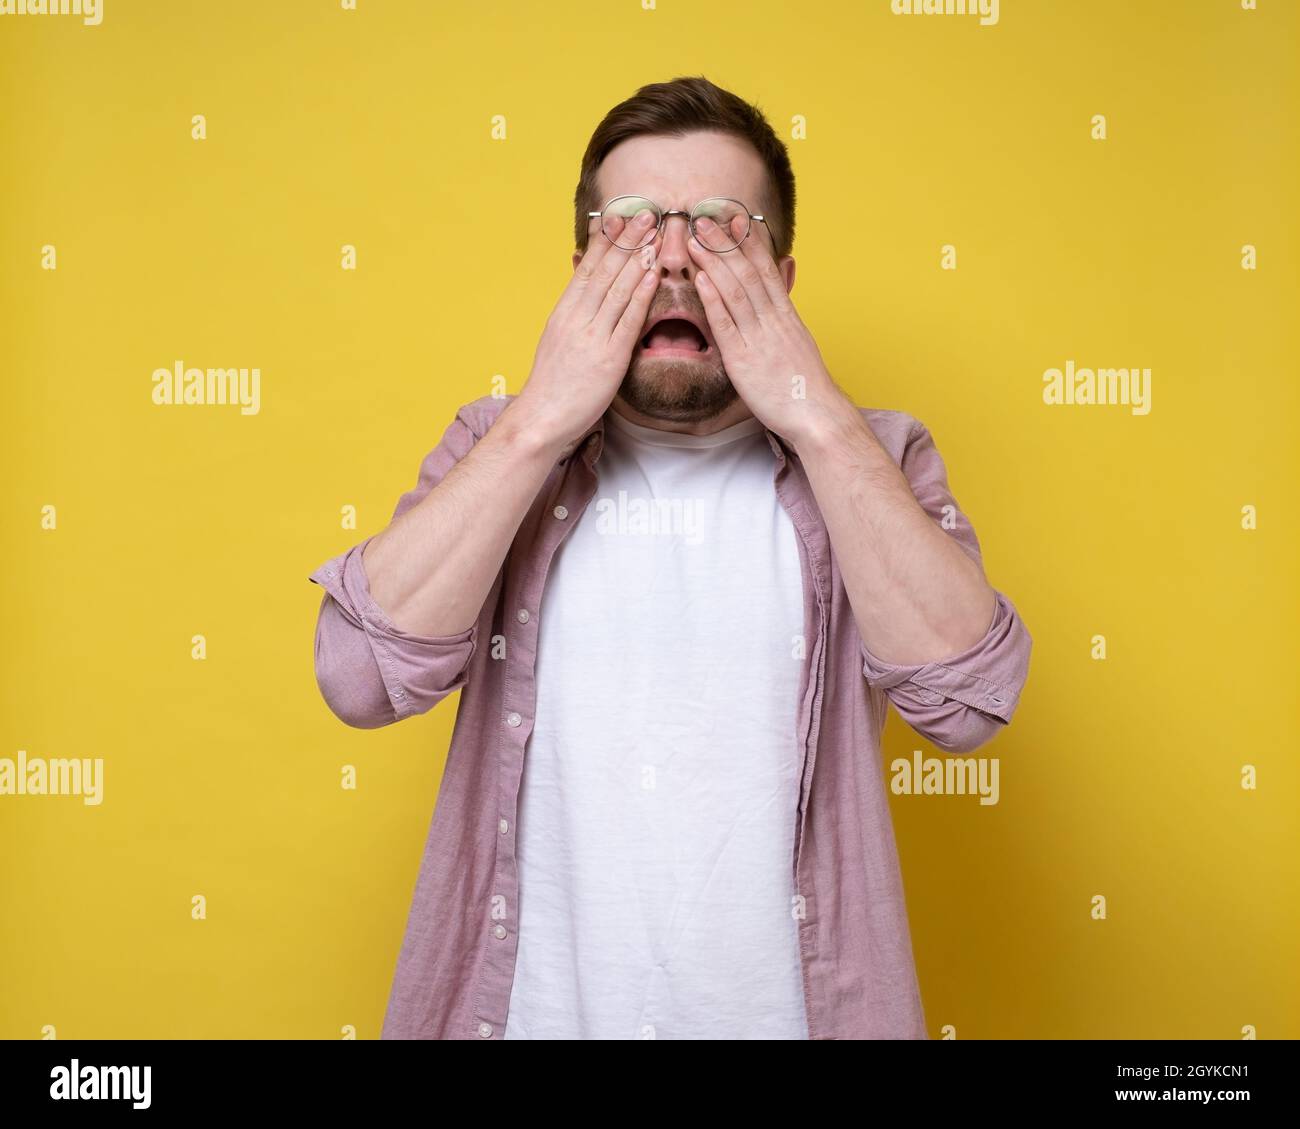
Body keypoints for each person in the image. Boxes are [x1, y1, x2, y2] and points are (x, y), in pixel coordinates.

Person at [308, 75, 1032, 1040]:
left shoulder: (876, 457)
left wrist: (814, 410)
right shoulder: (499, 443)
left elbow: (968, 703)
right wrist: (543, 418)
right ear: (580, 273)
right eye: (636, 230)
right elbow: (359, 678)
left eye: (724, 228)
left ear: (780, 275)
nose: (680, 260)